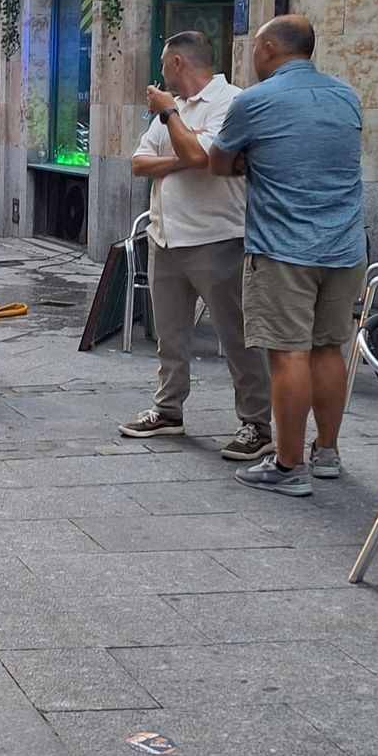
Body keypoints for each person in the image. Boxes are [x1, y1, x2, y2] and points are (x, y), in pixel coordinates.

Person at [209, 14, 366, 496]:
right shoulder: (346, 96)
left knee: (289, 353)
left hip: (283, 248)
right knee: (328, 348)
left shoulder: (254, 102)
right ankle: (327, 454)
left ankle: (288, 464)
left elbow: (218, 163)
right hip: (344, 246)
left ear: (271, 49)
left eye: (255, 47)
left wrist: (252, 159)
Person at [120, 31, 272, 459]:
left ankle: (257, 424)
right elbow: (139, 162)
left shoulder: (230, 102)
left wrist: (172, 119)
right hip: (165, 235)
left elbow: (207, 156)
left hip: (216, 237)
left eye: (164, 64)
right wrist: (184, 155)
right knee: (171, 336)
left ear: (178, 64)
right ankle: (168, 410)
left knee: (238, 337)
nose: (161, 74)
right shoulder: (175, 110)